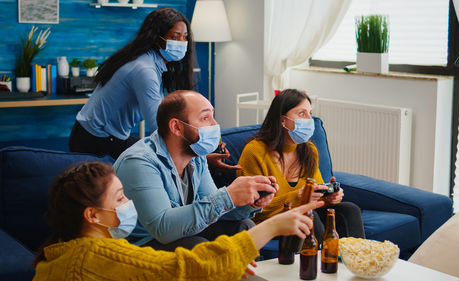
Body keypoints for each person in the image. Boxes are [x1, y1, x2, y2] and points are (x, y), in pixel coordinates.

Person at [32, 161, 324, 281]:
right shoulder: (92, 257)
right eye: (120, 198)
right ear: (92, 215)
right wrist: (271, 226)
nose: (128, 203)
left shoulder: (59, 251)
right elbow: (184, 268)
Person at [68, 7, 236, 172]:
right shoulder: (145, 70)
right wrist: (198, 155)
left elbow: (167, 116)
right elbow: (159, 127)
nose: (181, 43)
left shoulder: (150, 62)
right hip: (95, 140)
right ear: (157, 37)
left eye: (185, 37)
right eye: (175, 37)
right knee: (159, 162)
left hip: (102, 135)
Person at [114, 90, 278, 251]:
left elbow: (213, 212)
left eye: (213, 116)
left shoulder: (196, 155)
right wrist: (229, 195)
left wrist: (249, 202)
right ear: (176, 127)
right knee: (197, 247)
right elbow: (163, 229)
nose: (215, 125)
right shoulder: (139, 162)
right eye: (205, 118)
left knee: (244, 228)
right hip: (140, 244)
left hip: (179, 232)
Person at [237, 89, 365, 240]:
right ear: (282, 120)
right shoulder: (255, 151)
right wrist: (297, 197)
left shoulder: (309, 150)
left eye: (310, 113)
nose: (309, 120)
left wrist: (329, 197)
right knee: (308, 216)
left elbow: (315, 196)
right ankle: (322, 261)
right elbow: (253, 209)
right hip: (268, 221)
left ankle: (355, 261)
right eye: (302, 114)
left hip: (302, 214)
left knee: (349, 210)